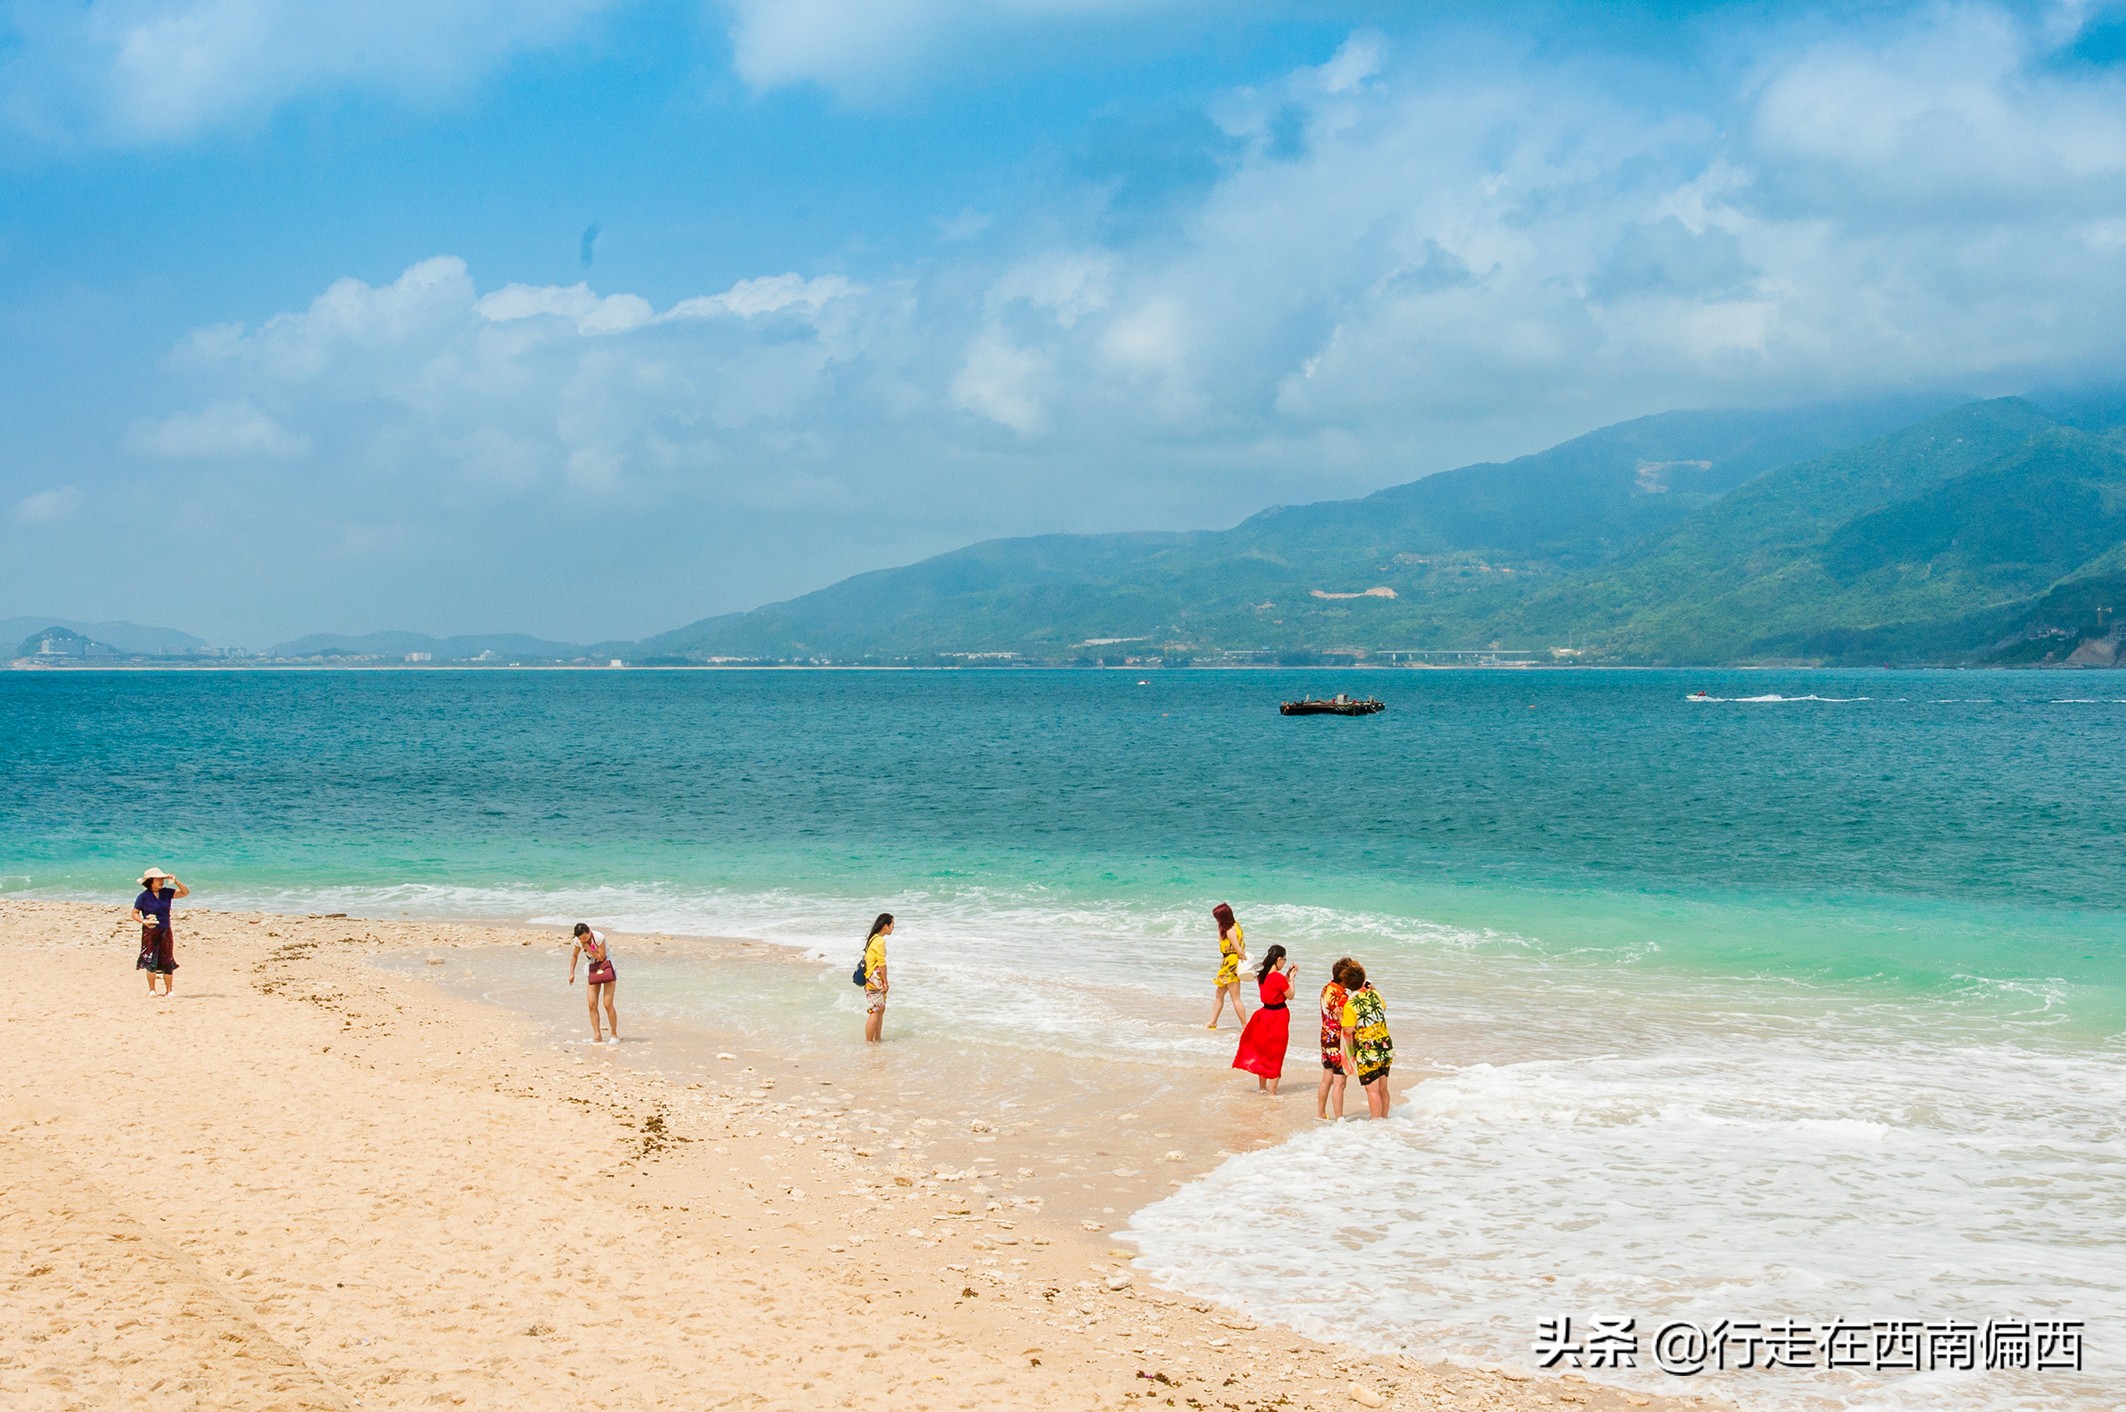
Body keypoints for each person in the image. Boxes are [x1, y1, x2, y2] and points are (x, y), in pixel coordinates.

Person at [1231, 945, 1297, 1093]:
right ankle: (1272, 1093)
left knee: (1264, 1051)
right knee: (1276, 1053)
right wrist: (1291, 979)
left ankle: (1262, 1088)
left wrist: (1286, 977)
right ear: (1279, 959)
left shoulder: (1262, 975)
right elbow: (1290, 995)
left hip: (1264, 1014)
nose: (1284, 963)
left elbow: (1275, 989)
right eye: (1284, 960)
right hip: (1278, 1016)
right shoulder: (1278, 978)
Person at [1339, 961, 1395, 1119]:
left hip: (1368, 1050)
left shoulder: (1350, 1004)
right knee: (1383, 1089)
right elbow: (1383, 1007)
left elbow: (1348, 1029)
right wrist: (1373, 988)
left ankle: (1376, 1124)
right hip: (1385, 1046)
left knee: (1372, 1091)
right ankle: (1385, 1119)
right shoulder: (1374, 994)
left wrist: (1340, 1016)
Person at [131, 867, 188, 996]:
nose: (161, 881)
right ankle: (152, 990)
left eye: (162, 879)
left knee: (167, 958)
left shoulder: (166, 893)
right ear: (151, 881)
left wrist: (175, 881)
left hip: (165, 930)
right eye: (158, 879)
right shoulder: (143, 897)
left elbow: (185, 892)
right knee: (151, 959)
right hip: (150, 931)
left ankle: (169, 990)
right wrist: (143, 921)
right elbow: (134, 913)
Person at [567, 923, 620, 1044]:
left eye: (584, 937)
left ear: (589, 931)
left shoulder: (599, 937)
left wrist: (588, 948)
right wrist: (571, 973)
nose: (582, 940)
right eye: (580, 939)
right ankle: (597, 1036)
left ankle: (614, 1035)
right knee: (592, 1004)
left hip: (607, 968)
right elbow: (574, 955)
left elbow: (601, 957)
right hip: (592, 969)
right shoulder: (578, 941)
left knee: (607, 1004)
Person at [1317, 956, 1356, 1120]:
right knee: (1340, 1084)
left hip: (1325, 1038)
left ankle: (1320, 1114)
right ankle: (1339, 1118)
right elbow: (1346, 1024)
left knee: (1326, 1080)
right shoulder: (1343, 998)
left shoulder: (1326, 989)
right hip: (1338, 1042)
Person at [1205, 902, 1250, 1029]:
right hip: (1228, 964)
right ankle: (1213, 1022)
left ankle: (1245, 1026)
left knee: (1235, 997)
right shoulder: (1235, 926)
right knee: (1219, 993)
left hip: (1231, 964)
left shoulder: (1229, 930)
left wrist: (1245, 960)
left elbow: (1239, 951)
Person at [862, 912, 894, 1043]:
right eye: (892, 925)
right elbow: (881, 963)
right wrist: (885, 981)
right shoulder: (879, 941)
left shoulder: (873, 938)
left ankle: (877, 1039)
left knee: (879, 1009)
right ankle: (870, 1042)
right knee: (876, 1011)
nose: (893, 928)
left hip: (870, 977)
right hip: (875, 978)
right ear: (885, 926)